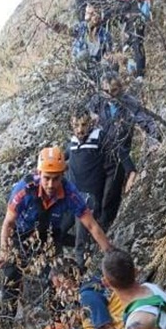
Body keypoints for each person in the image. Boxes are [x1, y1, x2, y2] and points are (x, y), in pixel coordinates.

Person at [0, 146, 113, 309]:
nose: (51, 184)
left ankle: (58, 320)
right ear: (39, 173)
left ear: (63, 175)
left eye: (56, 179)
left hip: (50, 236)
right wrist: (4, 251)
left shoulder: (70, 193)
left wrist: (110, 252)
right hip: (20, 235)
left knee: (56, 278)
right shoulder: (24, 190)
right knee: (11, 279)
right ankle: (7, 318)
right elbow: (8, 223)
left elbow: (91, 225)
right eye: (47, 178)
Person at [66, 108, 135, 268]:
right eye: (76, 125)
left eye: (83, 125)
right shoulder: (72, 143)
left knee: (81, 235)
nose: (80, 129)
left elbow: (120, 150)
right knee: (59, 230)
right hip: (73, 195)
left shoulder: (99, 137)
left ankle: (82, 267)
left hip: (90, 196)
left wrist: (131, 171)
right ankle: (88, 248)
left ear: (90, 123)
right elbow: (62, 157)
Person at [89, 73, 160, 229]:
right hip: (98, 153)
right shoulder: (98, 101)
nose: (110, 95)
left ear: (120, 89)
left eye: (114, 90)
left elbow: (148, 123)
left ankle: (105, 226)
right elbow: (87, 116)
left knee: (110, 194)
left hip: (119, 154)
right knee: (94, 193)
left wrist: (154, 142)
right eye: (107, 91)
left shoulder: (129, 103)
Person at [112, 0, 158, 77]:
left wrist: (148, 1)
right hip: (125, 0)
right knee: (122, 38)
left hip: (139, 1)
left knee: (137, 39)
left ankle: (140, 76)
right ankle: (119, 72)